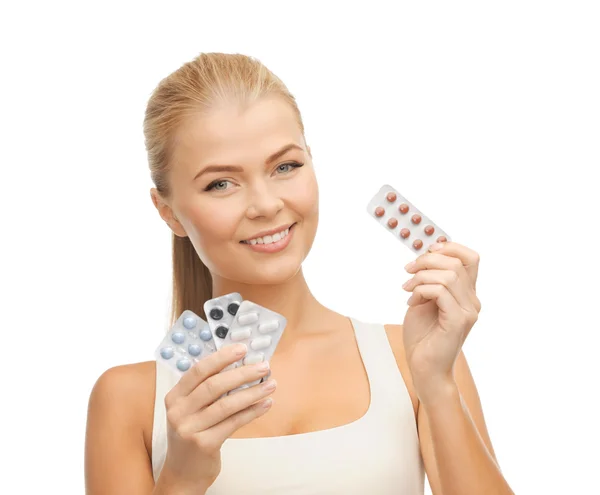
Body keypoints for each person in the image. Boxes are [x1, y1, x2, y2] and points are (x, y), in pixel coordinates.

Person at [84, 52, 515, 495]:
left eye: (285, 167)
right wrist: (182, 476)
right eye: (221, 183)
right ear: (168, 212)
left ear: (312, 161)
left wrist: (438, 386)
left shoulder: (416, 359)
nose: (266, 204)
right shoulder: (128, 401)